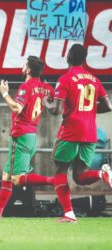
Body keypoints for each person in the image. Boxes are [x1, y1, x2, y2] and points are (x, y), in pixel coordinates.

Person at [43, 44, 112, 223]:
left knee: (60, 169)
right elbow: (108, 106)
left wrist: (46, 103)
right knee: (80, 176)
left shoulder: (66, 78)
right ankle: (101, 174)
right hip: (90, 132)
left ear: (69, 56)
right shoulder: (94, 79)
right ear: (84, 59)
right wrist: (87, 110)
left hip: (71, 130)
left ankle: (68, 213)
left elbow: (56, 110)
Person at [0, 56, 54, 220]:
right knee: (6, 176)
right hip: (31, 135)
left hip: (21, 135)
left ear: (29, 70)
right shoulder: (46, 88)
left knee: (16, 178)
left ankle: (54, 180)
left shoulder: (25, 86)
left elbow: (17, 107)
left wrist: (5, 93)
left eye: (24, 65)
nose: (22, 67)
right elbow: (56, 100)